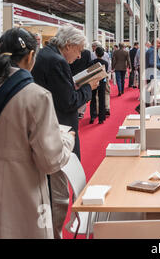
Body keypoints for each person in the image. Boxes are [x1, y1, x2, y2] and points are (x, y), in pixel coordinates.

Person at [0, 28, 74, 238]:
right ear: (30, 57)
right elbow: (50, 161)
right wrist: (66, 140)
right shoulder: (37, 96)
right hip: (22, 197)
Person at [31, 24, 99, 238]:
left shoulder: (47, 56)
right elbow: (68, 101)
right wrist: (89, 88)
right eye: (78, 50)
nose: (79, 56)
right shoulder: (57, 61)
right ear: (68, 45)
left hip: (51, 128)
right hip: (59, 131)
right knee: (59, 192)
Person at [70, 48, 92, 119]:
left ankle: (76, 110)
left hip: (72, 74)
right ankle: (81, 112)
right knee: (82, 92)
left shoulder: (72, 51)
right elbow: (89, 64)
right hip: (83, 75)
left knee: (74, 92)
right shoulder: (87, 52)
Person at [92, 41, 111, 115]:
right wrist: (108, 73)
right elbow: (109, 64)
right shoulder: (106, 54)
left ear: (95, 47)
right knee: (106, 92)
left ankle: (97, 110)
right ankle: (107, 107)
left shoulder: (92, 54)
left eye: (93, 46)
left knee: (96, 93)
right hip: (104, 75)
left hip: (95, 77)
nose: (92, 48)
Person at [90, 46, 109, 124]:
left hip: (94, 81)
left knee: (93, 99)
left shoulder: (92, 62)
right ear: (103, 54)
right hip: (102, 81)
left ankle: (92, 116)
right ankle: (101, 118)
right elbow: (106, 72)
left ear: (96, 53)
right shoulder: (106, 63)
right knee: (102, 99)